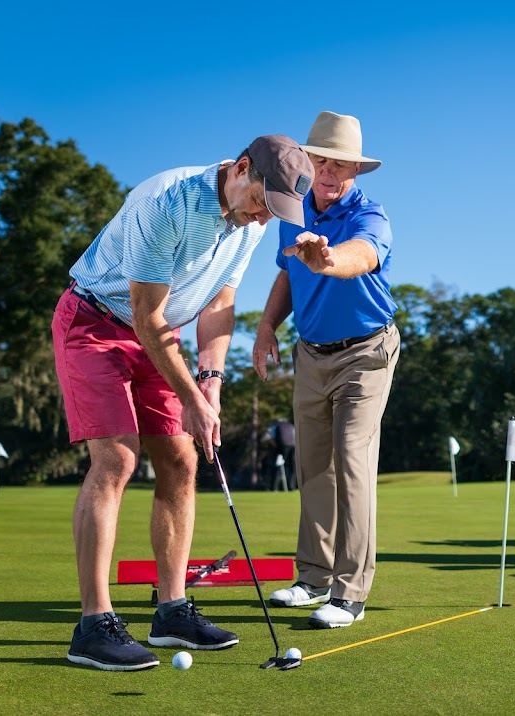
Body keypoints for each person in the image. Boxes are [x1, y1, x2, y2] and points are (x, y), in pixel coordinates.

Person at [52, 135, 314, 671]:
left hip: (158, 338)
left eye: (275, 211)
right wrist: (191, 397)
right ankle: (93, 625)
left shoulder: (252, 224)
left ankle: (171, 611)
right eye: (263, 202)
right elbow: (147, 316)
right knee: (117, 458)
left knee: (180, 459)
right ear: (242, 169)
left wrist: (210, 381)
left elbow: (219, 304)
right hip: (96, 324)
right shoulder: (166, 201)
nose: (264, 219)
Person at [254, 111, 400, 629]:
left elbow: (360, 255)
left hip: (366, 354)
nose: (332, 174)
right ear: (308, 163)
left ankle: (350, 594)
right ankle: (313, 578)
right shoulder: (292, 214)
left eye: (343, 166)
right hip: (311, 354)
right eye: (321, 162)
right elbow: (288, 275)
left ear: (356, 172)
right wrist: (268, 326)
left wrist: (328, 260)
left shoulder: (371, 214)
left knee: (351, 459)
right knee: (312, 466)